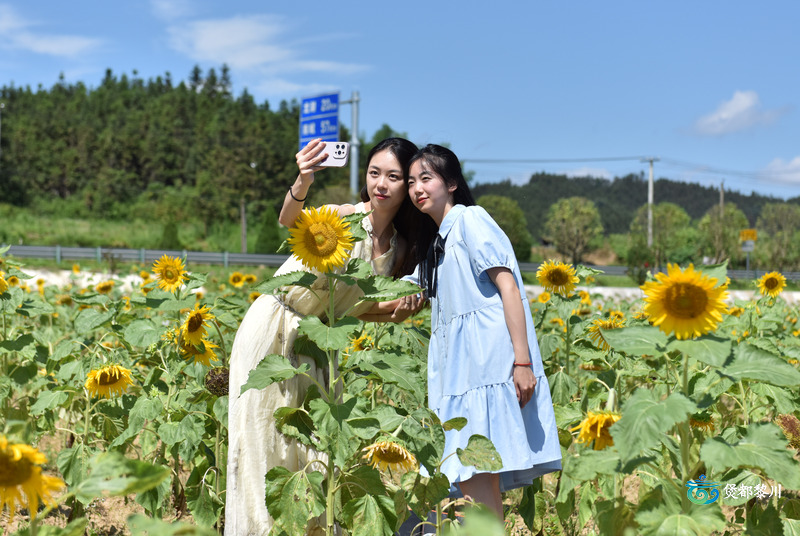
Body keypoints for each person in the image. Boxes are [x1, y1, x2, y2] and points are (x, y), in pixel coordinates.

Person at [225, 137, 423, 535]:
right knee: (264, 439)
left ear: (408, 184)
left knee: (313, 447)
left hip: (318, 340)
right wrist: (303, 179)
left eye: (393, 176)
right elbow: (289, 220)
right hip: (273, 326)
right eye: (374, 173)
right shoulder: (341, 218)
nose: (381, 184)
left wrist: (401, 309)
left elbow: (355, 308)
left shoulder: (399, 249)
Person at [403, 144, 561, 520]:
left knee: (472, 471)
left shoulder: (470, 220)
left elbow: (509, 287)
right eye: (410, 182)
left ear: (452, 183)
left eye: (426, 178)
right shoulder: (436, 246)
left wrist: (522, 362)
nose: (417, 188)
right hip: (461, 374)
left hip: (486, 367)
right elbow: (399, 294)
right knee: (476, 473)